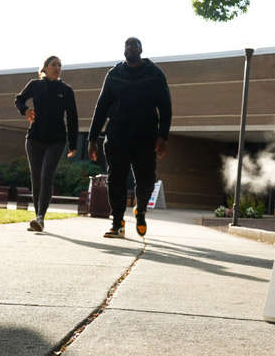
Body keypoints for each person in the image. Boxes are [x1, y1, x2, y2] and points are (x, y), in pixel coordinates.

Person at [87, 37, 172, 238]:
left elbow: (166, 106)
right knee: (116, 178)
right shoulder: (114, 74)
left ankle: (140, 210)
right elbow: (101, 107)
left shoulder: (154, 74)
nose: (130, 48)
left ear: (141, 50)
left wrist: (163, 137)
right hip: (117, 134)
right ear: (124, 50)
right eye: (127, 45)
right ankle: (117, 223)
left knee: (146, 180)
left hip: (146, 135)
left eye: (134, 45)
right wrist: (92, 139)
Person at [14, 56, 78, 232]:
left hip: (56, 140)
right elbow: (19, 99)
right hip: (34, 138)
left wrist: (73, 143)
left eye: (59, 65)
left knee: (46, 176)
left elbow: (72, 118)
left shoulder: (66, 90)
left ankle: (40, 216)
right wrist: (25, 110)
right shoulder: (35, 85)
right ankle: (38, 217)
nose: (57, 67)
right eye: (54, 64)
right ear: (45, 68)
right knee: (36, 178)